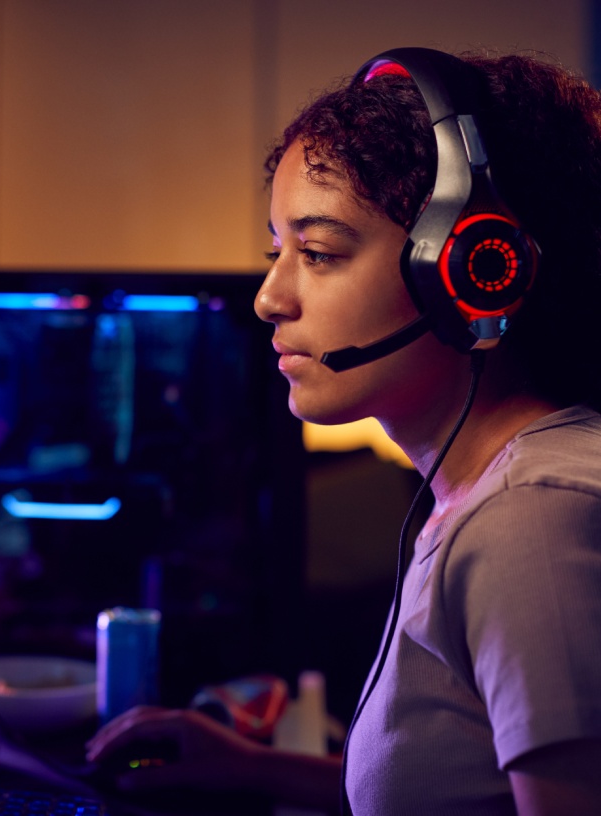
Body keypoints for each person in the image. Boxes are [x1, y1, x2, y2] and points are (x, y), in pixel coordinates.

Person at [86, 47, 601, 815]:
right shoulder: (487, 496)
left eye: (319, 253)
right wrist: (254, 769)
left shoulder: (532, 522)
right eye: (277, 251)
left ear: (469, 269)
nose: (269, 297)